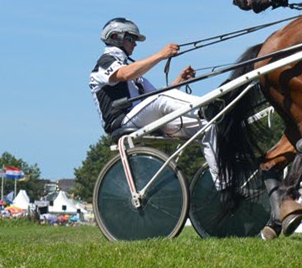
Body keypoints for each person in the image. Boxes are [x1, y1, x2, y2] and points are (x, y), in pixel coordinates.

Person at [88, 18, 219, 179]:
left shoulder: (134, 73)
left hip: (142, 118)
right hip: (121, 122)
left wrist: (180, 80)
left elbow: (158, 98)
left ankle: (223, 186)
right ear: (115, 37)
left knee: (207, 127)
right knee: (165, 99)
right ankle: (206, 108)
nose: (135, 44)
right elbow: (125, 74)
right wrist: (161, 55)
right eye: (131, 39)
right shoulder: (105, 63)